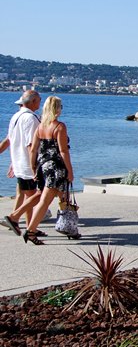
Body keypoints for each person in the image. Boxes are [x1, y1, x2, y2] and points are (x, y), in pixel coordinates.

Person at [24, 96, 74, 245]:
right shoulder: (59, 127)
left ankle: (70, 227)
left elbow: (33, 149)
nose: (61, 109)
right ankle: (31, 230)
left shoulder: (41, 127)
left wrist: (34, 168)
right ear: (56, 108)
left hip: (44, 166)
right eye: (60, 106)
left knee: (64, 198)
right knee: (46, 200)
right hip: (56, 167)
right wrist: (70, 171)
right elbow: (63, 150)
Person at [0, 90, 43, 236]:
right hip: (27, 164)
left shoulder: (15, 116)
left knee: (27, 195)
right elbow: (32, 144)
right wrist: (35, 165)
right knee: (35, 196)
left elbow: (9, 140)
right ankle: (18, 220)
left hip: (19, 162)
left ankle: (30, 227)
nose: (40, 103)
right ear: (32, 102)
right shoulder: (31, 119)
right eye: (38, 100)